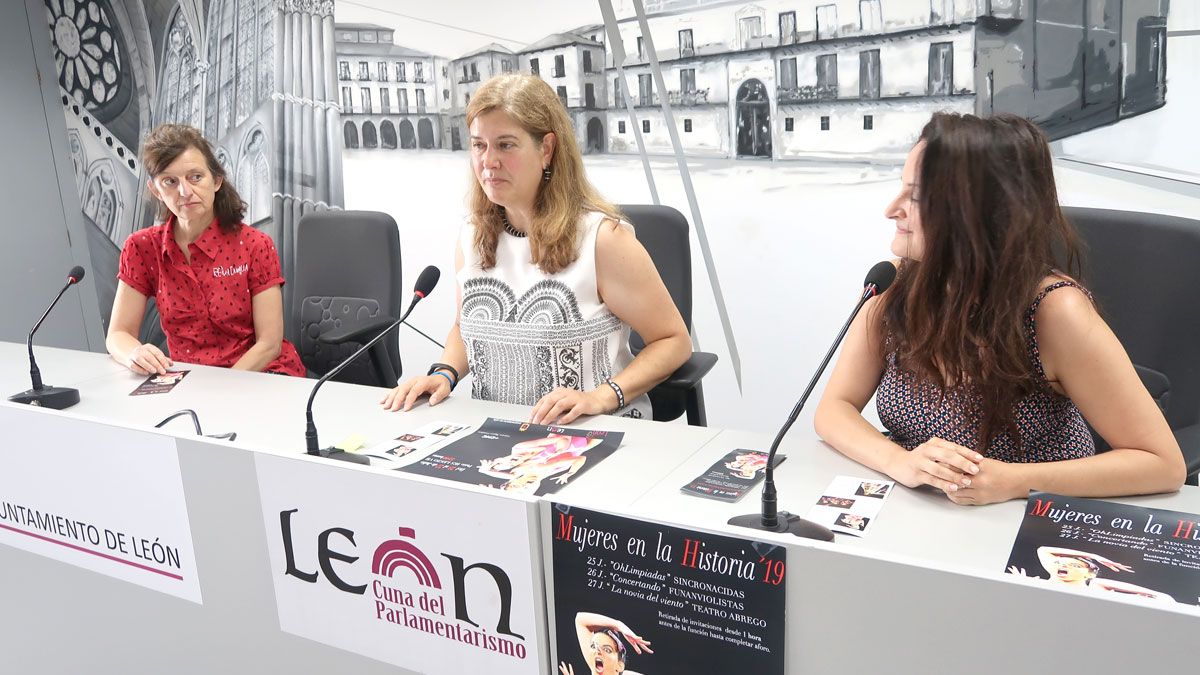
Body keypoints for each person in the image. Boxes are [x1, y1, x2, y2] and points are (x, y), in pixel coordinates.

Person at [813, 112, 1185, 505]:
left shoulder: (1054, 311)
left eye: (917, 197)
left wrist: (1013, 481)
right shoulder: (892, 284)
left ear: (977, 214)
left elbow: (1162, 463)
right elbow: (834, 410)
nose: (892, 209)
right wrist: (901, 462)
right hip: (923, 514)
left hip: (1029, 517)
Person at [382, 74, 691, 424]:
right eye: (479, 145)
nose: (488, 161)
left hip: (595, 431)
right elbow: (463, 329)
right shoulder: (472, 235)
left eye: (506, 145)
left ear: (546, 149)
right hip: (498, 433)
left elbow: (673, 340)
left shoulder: (603, 239)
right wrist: (443, 375)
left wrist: (602, 397)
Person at [106, 124, 304, 377]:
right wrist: (134, 353)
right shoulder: (142, 248)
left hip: (259, 373)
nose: (185, 192)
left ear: (217, 180)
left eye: (195, 177)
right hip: (190, 379)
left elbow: (269, 345)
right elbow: (118, 335)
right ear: (156, 190)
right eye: (170, 181)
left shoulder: (255, 245)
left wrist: (219, 389)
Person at [1008, 546, 1174, 602]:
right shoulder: (1042, 582)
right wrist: (1093, 556)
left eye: (1074, 565)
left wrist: (1161, 597)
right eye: (1059, 562)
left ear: (1090, 573)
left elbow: (1157, 595)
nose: (1063, 564)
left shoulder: (1095, 587)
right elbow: (1043, 550)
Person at [558, 612, 652, 675]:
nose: (598, 650)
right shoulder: (595, 665)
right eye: (593, 646)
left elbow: (580, 620)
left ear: (619, 666)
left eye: (607, 649)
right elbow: (580, 619)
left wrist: (619, 625)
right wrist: (617, 624)